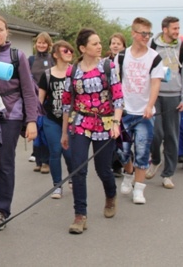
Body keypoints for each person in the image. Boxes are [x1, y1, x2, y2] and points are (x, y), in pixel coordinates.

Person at [0, 15, 38, 230]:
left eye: (0, 29)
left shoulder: (17, 56)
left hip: (12, 114)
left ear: (7, 32)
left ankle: (2, 210)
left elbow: (29, 91)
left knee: (6, 163)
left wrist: (31, 120)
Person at [60, 28, 123, 234]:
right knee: (78, 169)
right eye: (94, 43)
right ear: (83, 48)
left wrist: (115, 123)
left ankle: (110, 195)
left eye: (99, 43)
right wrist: (64, 133)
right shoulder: (73, 71)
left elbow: (118, 98)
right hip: (79, 124)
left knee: (103, 169)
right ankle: (80, 215)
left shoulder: (108, 66)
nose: (99, 46)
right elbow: (67, 104)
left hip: (105, 124)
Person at [116, 17, 166, 205]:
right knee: (122, 151)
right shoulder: (121, 56)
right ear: (133, 33)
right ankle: (128, 173)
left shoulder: (154, 57)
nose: (146, 37)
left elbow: (155, 83)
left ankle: (139, 189)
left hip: (144, 113)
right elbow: (116, 82)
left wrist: (149, 105)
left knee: (143, 151)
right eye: (143, 33)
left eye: (148, 34)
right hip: (124, 111)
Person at [147, 17, 183, 190]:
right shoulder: (153, 44)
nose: (177, 31)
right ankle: (155, 160)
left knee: (172, 136)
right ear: (165, 29)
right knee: (155, 132)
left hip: (174, 95)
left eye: (178, 28)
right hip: (155, 95)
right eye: (174, 28)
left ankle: (168, 174)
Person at [38, 40, 75, 200]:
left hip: (73, 120)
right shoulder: (47, 75)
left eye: (70, 51)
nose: (69, 53)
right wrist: (34, 120)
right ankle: (57, 185)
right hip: (52, 119)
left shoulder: (76, 73)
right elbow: (39, 100)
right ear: (55, 55)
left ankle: (72, 178)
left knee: (69, 154)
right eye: (65, 51)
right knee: (55, 152)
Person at [28, 32, 53, 174]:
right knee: (35, 130)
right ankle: (38, 160)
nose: (41, 45)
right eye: (39, 42)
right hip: (34, 100)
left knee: (45, 131)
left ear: (49, 45)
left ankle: (46, 162)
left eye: (44, 43)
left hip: (48, 100)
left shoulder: (52, 59)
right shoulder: (30, 59)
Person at [107, 32, 127, 177]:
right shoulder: (104, 62)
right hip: (108, 102)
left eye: (118, 44)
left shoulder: (128, 60)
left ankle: (125, 163)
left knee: (123, 135)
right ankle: (114, 164)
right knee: (111, 134)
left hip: (124, 102)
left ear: (124, 46)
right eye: (113, 43)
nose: (115, 46)